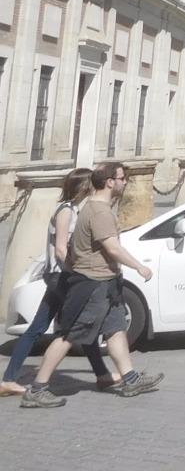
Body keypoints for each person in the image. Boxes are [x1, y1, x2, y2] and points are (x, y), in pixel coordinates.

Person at [19, 162, 162, 408]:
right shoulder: (99, 212)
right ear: (109, 182)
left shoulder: (95, 208)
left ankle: (130, 378)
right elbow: (112, 247)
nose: (124, 182)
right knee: (69, 335)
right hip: (91, 283)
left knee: (116, 329)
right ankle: (38, 388)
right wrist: (139, 266)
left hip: (105, 282)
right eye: (121, 178)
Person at [1, 169, 117, 397]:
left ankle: (9, 378)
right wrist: (78, 271)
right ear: (84, 187)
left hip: (60, 275)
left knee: (43, 327)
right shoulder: (65, 211)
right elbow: (62, 249)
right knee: (81, 324)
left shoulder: (74, 210)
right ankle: (102, 375)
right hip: (61, 276)